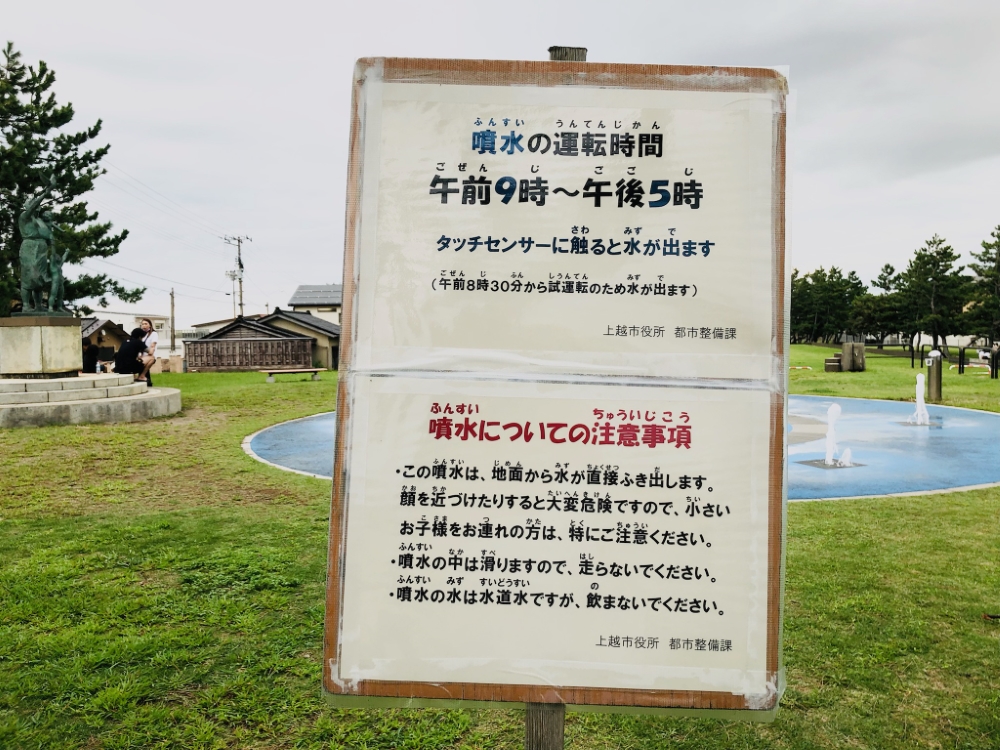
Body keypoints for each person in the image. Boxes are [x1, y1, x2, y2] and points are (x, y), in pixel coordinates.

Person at [138, 318, 158, 385]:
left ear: (150, 325)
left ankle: (145, 380)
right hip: (142, 356)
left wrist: (151, 351)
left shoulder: (153, 334)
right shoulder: (142, 335)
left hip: (150, 356)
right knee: (144, 371)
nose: (144, 325)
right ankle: (147, 383)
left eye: (146, 324)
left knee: (143, 370)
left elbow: (153, 345)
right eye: (142, 324)